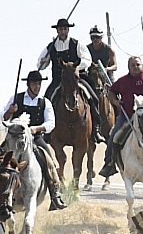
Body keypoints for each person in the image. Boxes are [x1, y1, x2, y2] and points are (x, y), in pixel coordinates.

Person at [2, 71, 68, 210]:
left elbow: (51, 123)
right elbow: (4, 118)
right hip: (15, 137)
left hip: (35, 138)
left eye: (39, 83)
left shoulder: (45, 102)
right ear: (28, 84)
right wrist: (10, 110)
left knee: (49, 159)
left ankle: (55, 193)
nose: (37, 86)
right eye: (34, 83)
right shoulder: (16, 98)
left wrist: (36, 129)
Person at [99, 56, 143, 179]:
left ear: (142, 65)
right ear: (128, 67)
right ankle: (110, 162)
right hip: (127, 116)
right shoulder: (122, 80)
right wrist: (116, 102)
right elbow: (111, 92)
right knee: (114, 136)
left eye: (138, 64)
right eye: (133, 65)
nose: (136, 67)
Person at [37, 18, 93, 102]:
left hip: (76, 79)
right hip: (58, 80)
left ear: (68, 30)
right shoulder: (51, 47)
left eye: (65, 29)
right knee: (46, 101)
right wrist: (43, 62)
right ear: (57, 30)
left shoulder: (76, 44)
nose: (63, 32)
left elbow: (88, 59)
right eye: (60, 29)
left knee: (92, 96)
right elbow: (40, 66)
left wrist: (77, 68)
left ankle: (96, 114)